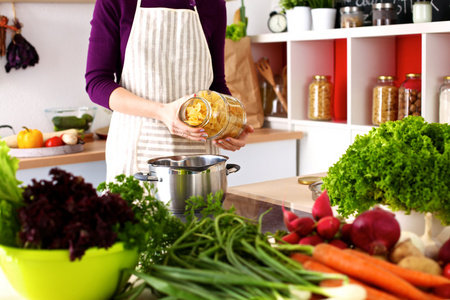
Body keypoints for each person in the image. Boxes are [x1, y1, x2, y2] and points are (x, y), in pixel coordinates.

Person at [85, 0, 254, 182]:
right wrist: (161, 112)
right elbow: (97, 82)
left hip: (198, 159)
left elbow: (216, 85)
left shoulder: (213, 4)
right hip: (137, 156)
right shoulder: (117, 2)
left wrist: (232, 124)